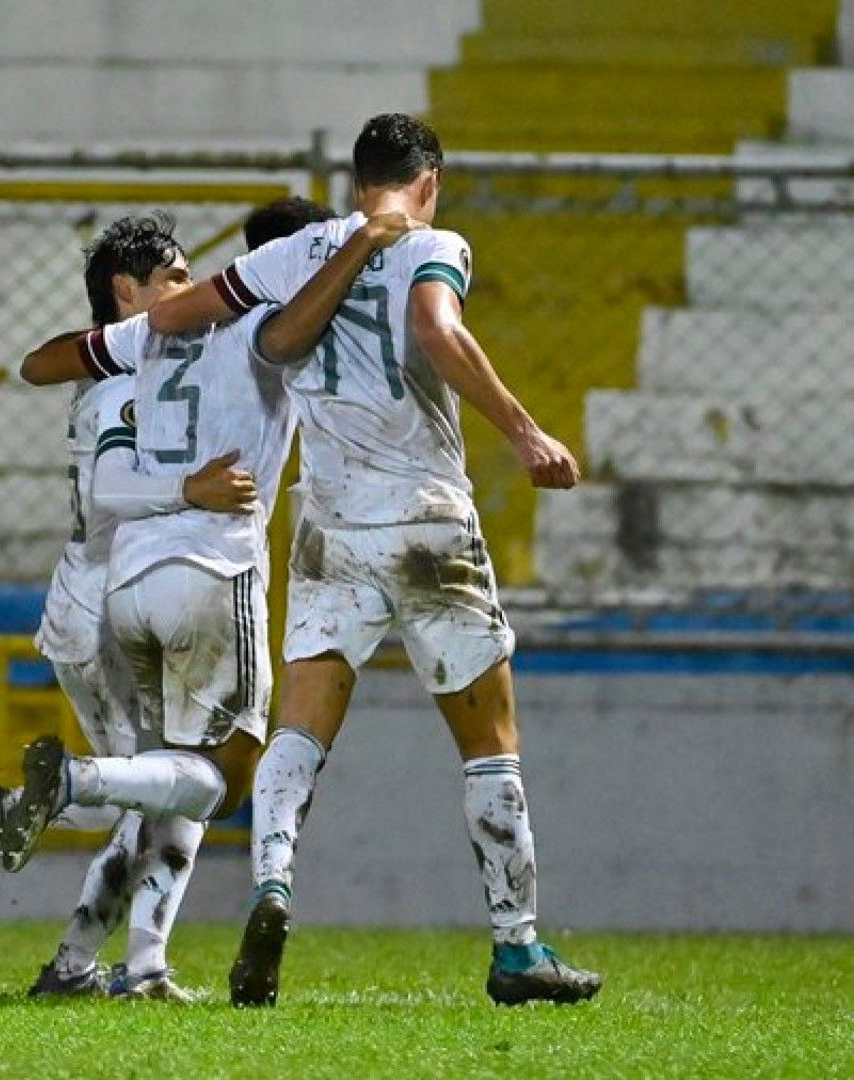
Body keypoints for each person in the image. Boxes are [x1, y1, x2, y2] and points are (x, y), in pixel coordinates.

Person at [147, 113, 602, 1007]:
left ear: (359, 182)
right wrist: (524, 430)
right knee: (489, 743)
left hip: (328, 524)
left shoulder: (300, 250)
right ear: (428, 180)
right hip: (428, 521)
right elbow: (436, 328)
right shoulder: (435, 243)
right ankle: (516, 951)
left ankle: (272, 885)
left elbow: (171, 314)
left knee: (300, 731)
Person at [0, 198, 416, 1000]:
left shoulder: (151, 339)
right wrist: (361, 248)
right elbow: (291, 337)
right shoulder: (262, 332)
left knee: (168, 783)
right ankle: (73, 786)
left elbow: (39, 364)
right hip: (206, 571)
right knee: (221, 773)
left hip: (127, 587)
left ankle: (109, 961)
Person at [0, 213, 254, 1001]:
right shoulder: (121, 382)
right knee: (159, 788)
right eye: (174, 277)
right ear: (126, 291)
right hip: (105, 612)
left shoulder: (129, 369)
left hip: (100, 601)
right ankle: (129, 964)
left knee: (153, 791)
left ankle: (79, 951)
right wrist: (194, 489)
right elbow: (111, 489)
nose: (187, 289)